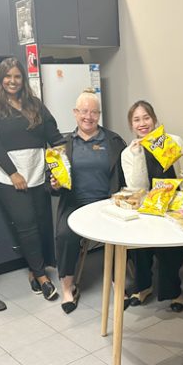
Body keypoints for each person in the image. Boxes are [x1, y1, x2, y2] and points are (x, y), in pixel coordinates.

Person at [0, 57, 61, 300]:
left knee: (41, 221)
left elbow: (52, 133)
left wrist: (63, 159)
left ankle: (34, 272)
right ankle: (41, 276)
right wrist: (13, 173)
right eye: (8, 76)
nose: (12, 81)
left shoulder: (34, 104)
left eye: (17, 76)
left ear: (23, 79)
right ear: (1, 78)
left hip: (36, 171)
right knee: (26, 224)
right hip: (7, 175)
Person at [49, 91, 128, 313]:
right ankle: (68, 286)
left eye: (94, 112)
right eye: (84, 111)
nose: (89, 117)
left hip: (107, 203)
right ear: (75, 114)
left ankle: (118, 283)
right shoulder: (63, 144)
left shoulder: (113, 141)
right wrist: (54, 184)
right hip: (74, 204)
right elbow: (52, 185)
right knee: (64, 234)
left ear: (99, 115)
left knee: (121, 231)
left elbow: (125, 175)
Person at [120, 101, 183, 310]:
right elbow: (136, 188)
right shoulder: (128, 153)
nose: (142, 123)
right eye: (136, 120)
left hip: (174, 206)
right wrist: (139, 154)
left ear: (154, 119)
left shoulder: (172, 141)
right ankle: (143, 286)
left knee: (170, 246)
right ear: (131, 125)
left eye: (146, 117)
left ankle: (174, 291)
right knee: (139, 243)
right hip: (146, 207)